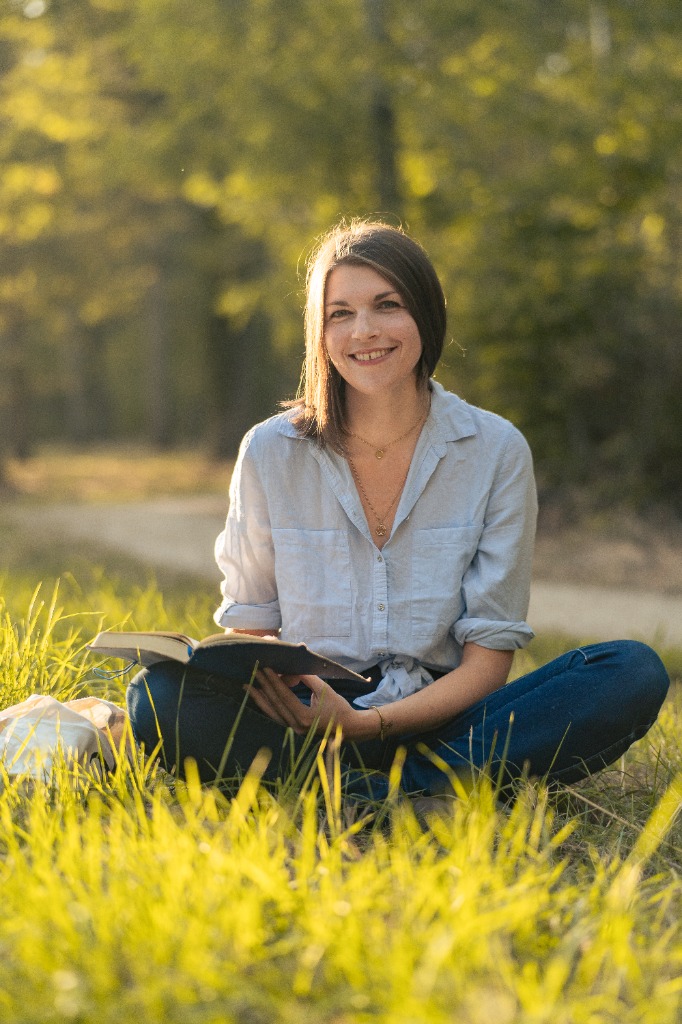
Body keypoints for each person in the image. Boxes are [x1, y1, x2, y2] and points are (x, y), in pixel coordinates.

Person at [127, 220, 670, 799]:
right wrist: (294, 702)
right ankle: (423, 795)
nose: (364, 331)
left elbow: (488, 662)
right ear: (320, 332)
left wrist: (368, 724)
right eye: (340, 313)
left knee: (630, 671)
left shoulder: (494, 450)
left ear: (425, 316)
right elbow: (252, 631)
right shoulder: (270, 450)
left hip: (448, 718)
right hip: (312, 713)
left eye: (387, 305)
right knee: (155, 696)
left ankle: (370, 794)